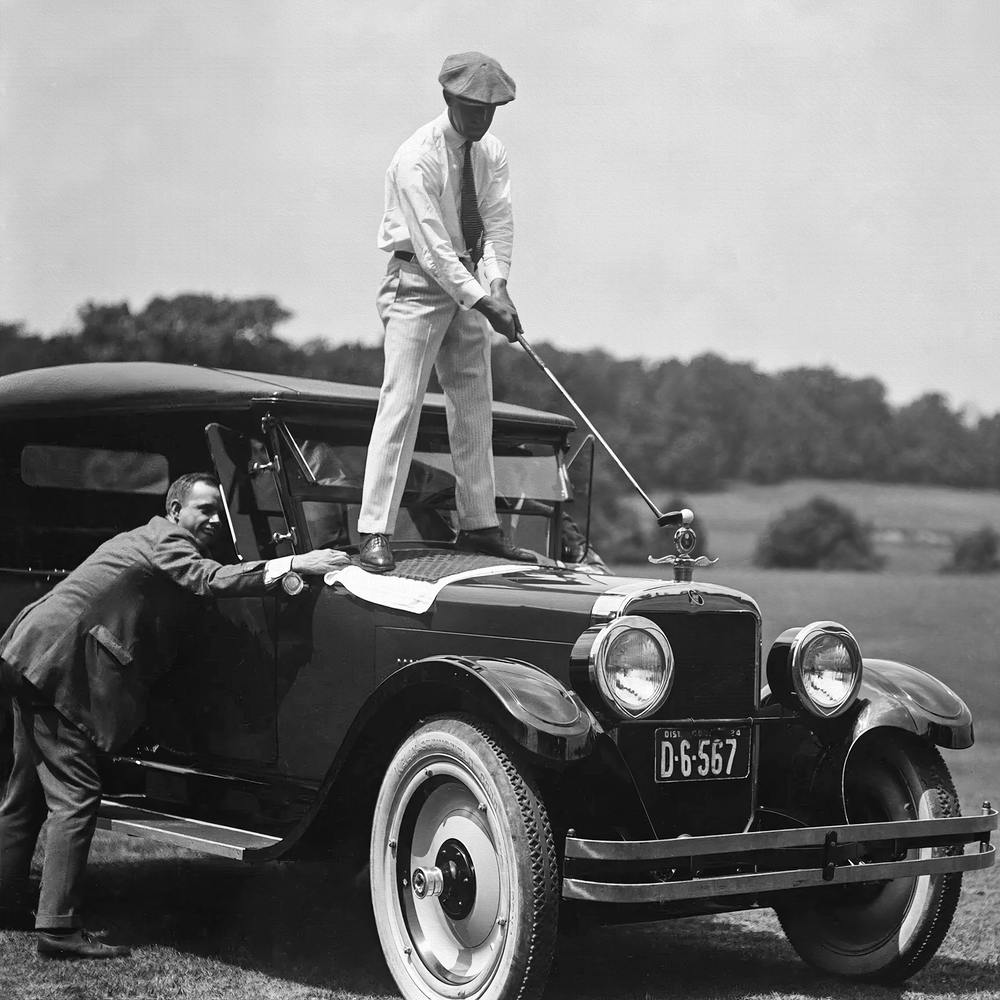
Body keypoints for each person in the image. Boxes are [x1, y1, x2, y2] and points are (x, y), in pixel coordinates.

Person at [0, 472, 347, 958]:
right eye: (202, 509)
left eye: (216, 511)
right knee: (76, 797)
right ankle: (57, 930)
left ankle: (5, 899)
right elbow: (205, 579)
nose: (212, 518)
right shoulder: (166, 538)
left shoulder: (148, 538)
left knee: (25, 796)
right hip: (61, 664)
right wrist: (295, 563)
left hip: (32, 653)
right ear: (174, 508)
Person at [357, 51, 537, 573]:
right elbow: (433, 247)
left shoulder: (492, 151)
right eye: (473, 109)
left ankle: (480, 525)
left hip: (467, 283)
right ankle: (374, 531)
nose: (482, 120)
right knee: (403, 400)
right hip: (415, 282)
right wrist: (484, 301)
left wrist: (498, 285)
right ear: (448, 100)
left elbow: (497, 222)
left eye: (491, 110)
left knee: (474, 403)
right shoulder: (416, 157)